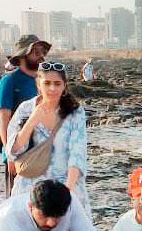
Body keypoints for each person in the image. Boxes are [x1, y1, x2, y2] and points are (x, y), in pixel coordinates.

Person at [5, 62, 91, 213]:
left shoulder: (75, 112)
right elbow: (13, 152)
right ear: (39, 84)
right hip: (30, 185)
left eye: (57, 84)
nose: (52, 89)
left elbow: (77, 154)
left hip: (65, 183)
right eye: (47, 83)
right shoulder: (26, 109)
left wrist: (67, 192)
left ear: (64, 86)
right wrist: (32, 121)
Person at [0, 34, 52, 194]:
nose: (41, 56)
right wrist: (9, 156)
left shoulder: (44, 82)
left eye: (42, 52)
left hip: (43, 153)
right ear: (22, 56)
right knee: (17, 205)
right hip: (19, 154)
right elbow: (3, 121)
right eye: (36, 52)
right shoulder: (10, 82)